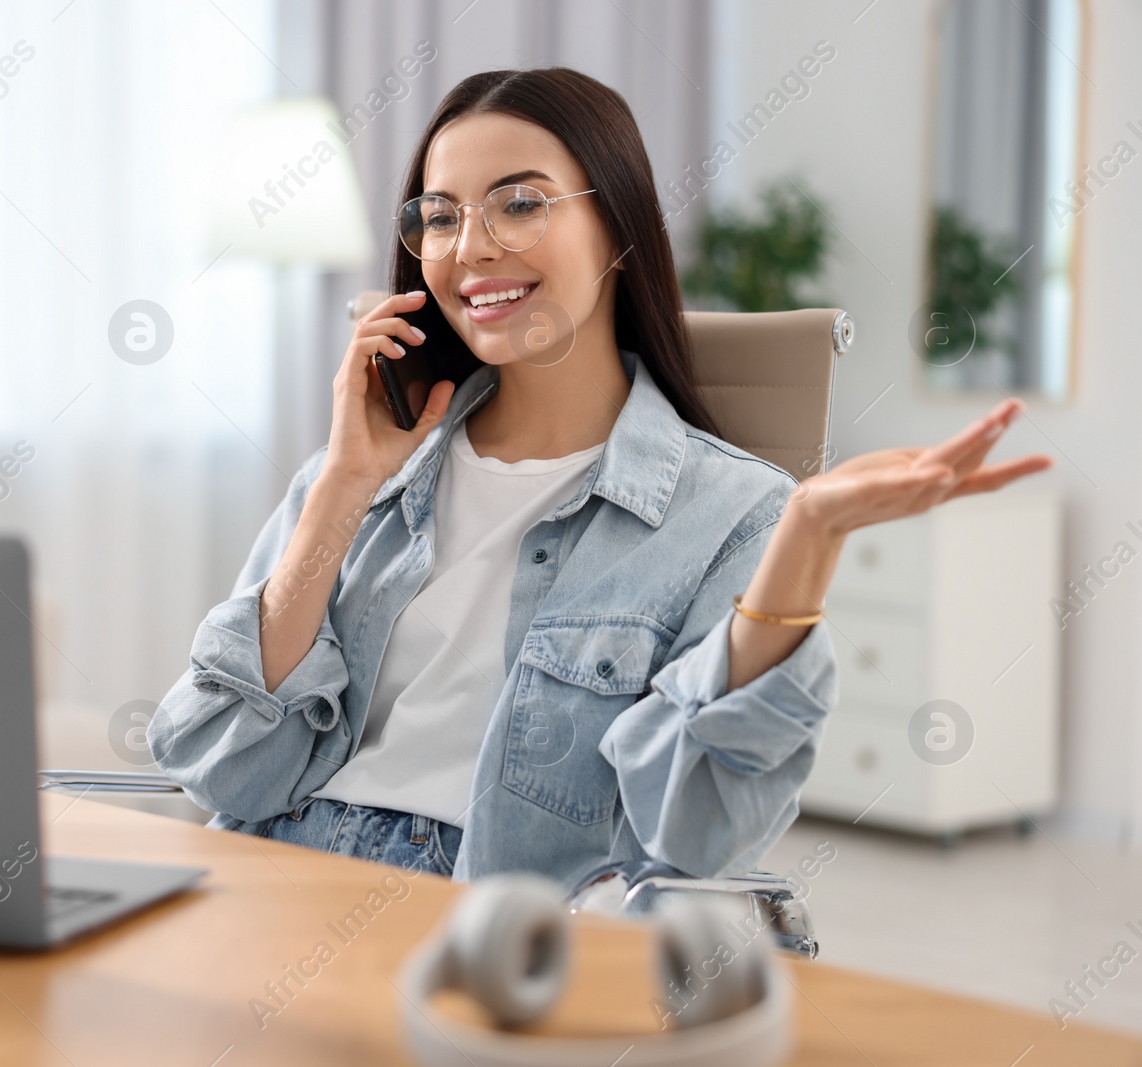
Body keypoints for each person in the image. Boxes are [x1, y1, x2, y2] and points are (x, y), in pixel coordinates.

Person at [148, 67, 1051, 890]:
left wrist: (807, 534)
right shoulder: (352, 475)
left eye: (521, 205)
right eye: (442, 213)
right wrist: (342, 492)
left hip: (493, 924)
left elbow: (697, 827)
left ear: (619, 226)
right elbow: (220, 764)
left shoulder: (734, 511)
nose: (470, 249)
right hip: (272, 876)